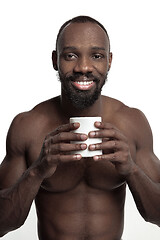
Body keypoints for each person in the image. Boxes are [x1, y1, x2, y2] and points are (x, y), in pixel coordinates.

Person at [0, 15, 160, 240]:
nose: (83, 67)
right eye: (70, 55)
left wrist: (131, 169)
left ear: (109, 61)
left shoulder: (132, 123)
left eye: (96, 56)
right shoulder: (28, 127)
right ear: (56, 60)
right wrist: (37, 171)